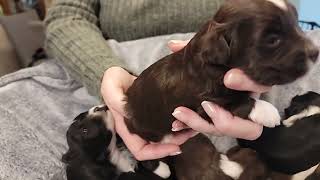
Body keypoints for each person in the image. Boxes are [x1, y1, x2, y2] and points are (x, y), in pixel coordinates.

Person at [0, 0, 319, 179]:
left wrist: (266, 48)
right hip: (117, 63)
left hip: (246, 66)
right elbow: (66, 17)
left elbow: (275, 17)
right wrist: (105, 72)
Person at [45, 0, 269, 161]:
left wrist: (266, 55)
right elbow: (66, 15)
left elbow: (265, 13)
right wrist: (102, 71)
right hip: (120, 84)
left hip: (231, 83)